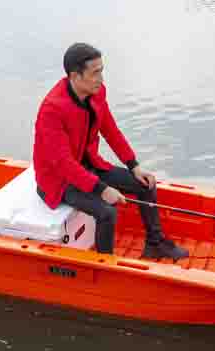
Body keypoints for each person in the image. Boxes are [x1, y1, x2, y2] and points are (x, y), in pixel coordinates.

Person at [32, 42, 189, 260]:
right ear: (75, 77)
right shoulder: (52, 109)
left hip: (89, 166)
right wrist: (101, 189)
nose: (101, 79)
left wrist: (134, 165)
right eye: (95, 73)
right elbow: (62, 163)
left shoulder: (97, 93)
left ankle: (155, 244)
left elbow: (110, 130)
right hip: (59, 180)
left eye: (102, 71)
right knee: (107, 211)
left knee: (146, 184)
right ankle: (105, 264)